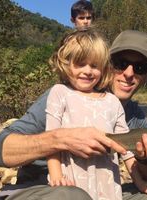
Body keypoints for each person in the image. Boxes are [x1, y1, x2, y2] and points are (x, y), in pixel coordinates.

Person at [0, 30, 147, 200]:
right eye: (120, 62)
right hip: (45, 189)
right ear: (108, 63)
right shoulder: (61, 95)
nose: (128, 73)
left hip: (103, 191)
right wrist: (60, 139)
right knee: (73, 196)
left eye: (140, 67)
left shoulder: (133, 115)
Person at [45, 30, 133, 200]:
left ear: (103, 69)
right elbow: (52, 140)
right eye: (80, 64)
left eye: (94, 65)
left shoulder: (113, 101)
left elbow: (126, 148)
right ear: (66, 64)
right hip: (70, 181)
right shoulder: (60, 93)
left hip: (107, 183)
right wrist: (56, 176)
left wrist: (139, 179)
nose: (88, 71)